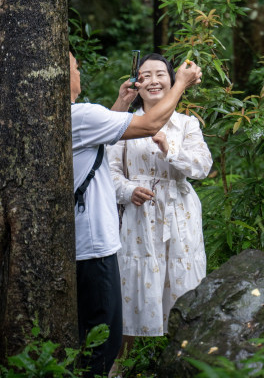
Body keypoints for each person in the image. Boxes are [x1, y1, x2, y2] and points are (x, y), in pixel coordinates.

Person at [69, 51, 202, 378]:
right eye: (75, 66)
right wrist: (183, 83)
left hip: (166, 222)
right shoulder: (82, 114)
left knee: (113, 322)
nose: (79, 72)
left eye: (163, 74)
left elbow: (97, 144)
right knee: (113, 327)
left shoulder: (186, 123)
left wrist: (120, 105)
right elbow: (146, 127)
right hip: (110, 236)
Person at [107, 53, 212, 359]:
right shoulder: (124, 123)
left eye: (160, 74)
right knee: (134, 284)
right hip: (139, 218)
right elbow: (109, 171)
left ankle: (186, 360)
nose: (153, 81)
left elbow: (202, 165)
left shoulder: (186, 123)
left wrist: (171, 148)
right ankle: (122, 364)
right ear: (136, 84)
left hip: (180, 213)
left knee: (183, 280)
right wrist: (129, 190)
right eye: (145, 75)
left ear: (172, 80)